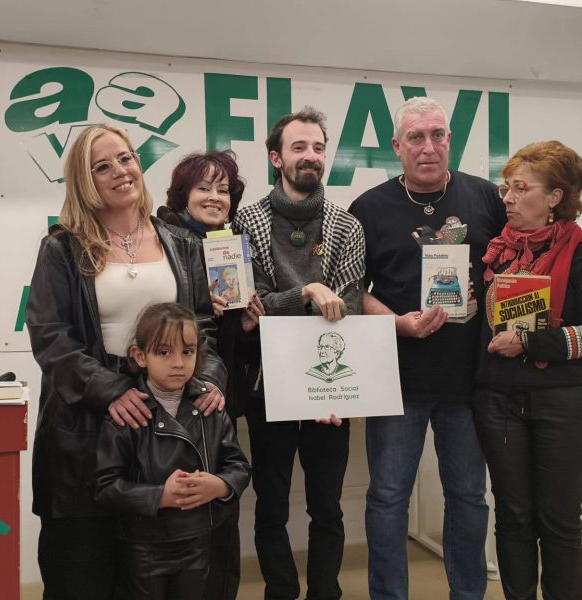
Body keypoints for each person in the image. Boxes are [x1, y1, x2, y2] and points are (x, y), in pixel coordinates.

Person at [25, 124, 226, 600]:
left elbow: (203, 326)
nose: (120, 171)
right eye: (102, 166)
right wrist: (111, 390)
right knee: (82, 574)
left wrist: (210, 377)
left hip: (164, 424)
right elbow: (50, 336)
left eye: (126, 158)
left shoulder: (180, 242)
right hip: (85, 428)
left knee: (155, 579)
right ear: (85, 180)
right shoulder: (62, 247)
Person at [349, 96, 506, 600]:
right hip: (397, 380)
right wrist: (396, 324)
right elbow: (353, 291)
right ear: (397, 146)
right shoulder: (368, 208)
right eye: (416, 137)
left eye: (438, 135)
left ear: (450, 140)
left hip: (469, 380)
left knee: (469, 497)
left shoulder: (485, 197)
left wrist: (493, 294)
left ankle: (469, 594)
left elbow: (508, 271)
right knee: (387, 498)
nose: (428, 147)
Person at [233, 107, 365, 600]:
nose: (310, 156)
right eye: (298, 147)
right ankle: (281, 591)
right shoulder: (246, 220)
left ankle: (325, 592)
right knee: (270, 506)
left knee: (327, 507)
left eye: (318, 147)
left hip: (329, 386)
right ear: (276, 158)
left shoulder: (347, 226)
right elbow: (251, 307)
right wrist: (308, 290)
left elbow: (347, 309)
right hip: (267, 387)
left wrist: (286, 303)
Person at [474, 141, 582, 600]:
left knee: (559, 520)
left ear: (555, 197)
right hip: (498, 400)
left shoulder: (579, 251)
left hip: (560, 400)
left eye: (521, 189)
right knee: (514, 517)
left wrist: (532, 342)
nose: (508, 199)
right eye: (507, 188)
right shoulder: (497, 251)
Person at [157, 149, 263, 600]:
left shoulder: (235, 245)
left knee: (220, 510)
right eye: (203, 188)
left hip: (220, 399)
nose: (214, 197)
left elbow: (234, 347)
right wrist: (199, 310)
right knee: (176, 506)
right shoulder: (162, 242)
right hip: (169, 400)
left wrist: (243, 322)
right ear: (183, 194)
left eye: (223, 190)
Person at [94, 302, 251, 600]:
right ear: (140, 356)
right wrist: (159, 496)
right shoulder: (128, 412)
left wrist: (219, 485)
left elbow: (239, 466)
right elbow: (106, 488)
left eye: (187, 352)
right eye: (164, 353)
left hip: (199, 542)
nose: (178, 363)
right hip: (143, 547)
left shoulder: (210, 406)